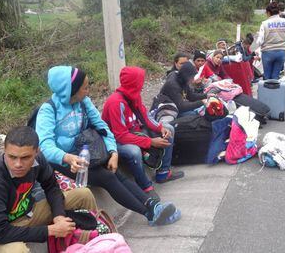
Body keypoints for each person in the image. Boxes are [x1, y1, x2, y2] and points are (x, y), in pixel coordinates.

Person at [36, 66, 181, 227]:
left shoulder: (84, 102)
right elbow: (45, 146)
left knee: (115, 171)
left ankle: (153, 205)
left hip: (87, 152)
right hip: (64, 162)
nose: (88, 91)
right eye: (85, 88)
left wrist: (113, 152)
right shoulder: (48, 110)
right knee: (107, 177)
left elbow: (103, 128)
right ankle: (149, 213)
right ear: (71, 89)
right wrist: (67, 157)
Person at [0, 126, 98, 253]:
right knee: (17, 251)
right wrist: (51, 230)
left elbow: (51, 187)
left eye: (25, 157)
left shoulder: (38, 160)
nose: (18, 164)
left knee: (84, 194)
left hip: (29, 213)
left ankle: (97, 243)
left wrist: (58, 216)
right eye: (12, 157)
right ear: (4, 150)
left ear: (37, 152)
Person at [102, 66, 184, 196]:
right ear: (133, 83)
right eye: (140, 81)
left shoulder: (134, 96)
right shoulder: (115, 103)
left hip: (135, 133)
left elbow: (145, 118)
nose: (143, 84)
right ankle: (145, 186)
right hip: (115, 141)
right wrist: (150, 142)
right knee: (133, 151)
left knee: (169, 128)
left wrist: (160, 128)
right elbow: (121, 136)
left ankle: (163, 172)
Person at [256, 1, 285, 80]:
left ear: (268, 12)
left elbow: (259, 42)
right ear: (278, 11)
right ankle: (275, 91)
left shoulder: (264, 23)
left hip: (267, 53)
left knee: (267, 78)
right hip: (281, 53)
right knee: (275, 77)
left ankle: (266, 91)